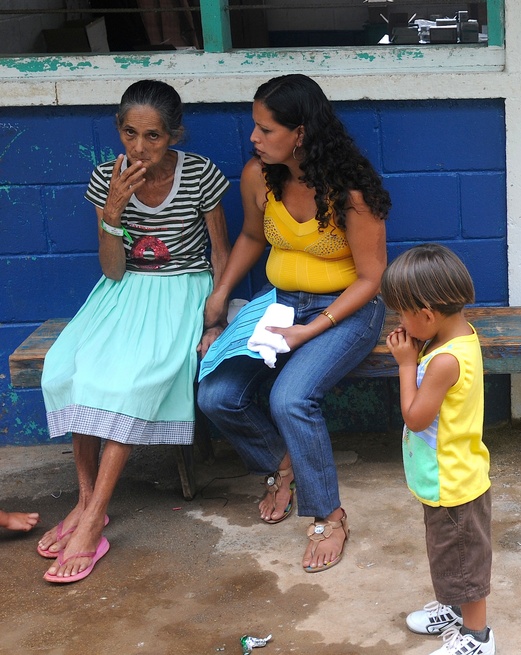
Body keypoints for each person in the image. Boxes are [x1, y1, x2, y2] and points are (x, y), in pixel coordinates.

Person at [37, 80, 231, 583]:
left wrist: (216, 316)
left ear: (173, 135)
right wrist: (114, 214)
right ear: (118, 131)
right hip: (125, 290)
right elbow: (113, 271)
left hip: (181, 291)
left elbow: (221, 255)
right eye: (129, 133)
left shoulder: (201, 175)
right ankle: (88, 505)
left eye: (153, 136)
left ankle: (94, 516)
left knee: (127, 383)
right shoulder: (106, 178)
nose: (139, 148)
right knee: (71, 368)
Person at [197, 74, 390, 573]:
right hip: (278, 303)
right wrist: (221, 295)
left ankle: (329, 514)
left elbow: (371, 279)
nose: (254, 138)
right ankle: (283, 463)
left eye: (265, 129)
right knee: (216, 395)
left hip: (347, 309)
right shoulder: (258, 177)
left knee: (291, 398)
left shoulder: (350, 190)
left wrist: (313, 328)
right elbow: (250, 237)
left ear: (300, 133)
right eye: (254, 127)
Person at [382, 244, 496, 655]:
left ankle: (477, 636)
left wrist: (405, 365)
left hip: (454, 484)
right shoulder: (460, 335)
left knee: (463, 561)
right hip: (447, 474)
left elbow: (415, 417)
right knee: (450, 556)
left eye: (401, 313)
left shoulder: (444, 361)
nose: (399, 322)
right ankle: (452, 609)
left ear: (427, 315)